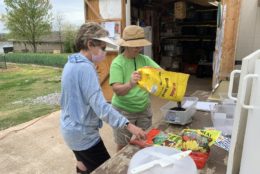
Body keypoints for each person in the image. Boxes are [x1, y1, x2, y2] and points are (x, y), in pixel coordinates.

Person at [60, 22, 146, 174]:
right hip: (83, 135)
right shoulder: (85, 68)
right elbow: (101, 107)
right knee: (108, 169)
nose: (105, 53)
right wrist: (129, 125)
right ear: (90, 44)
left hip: (68, 129)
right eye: (103, 48)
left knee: (83, 164)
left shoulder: (71, 63)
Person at [109, 25, 161, 151]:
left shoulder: (144, 59)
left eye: (141, 45)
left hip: (143, 108)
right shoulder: (117, 63)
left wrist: (160, 80)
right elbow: (117, 90)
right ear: (126, 45)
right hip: (123, 111)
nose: (140, 48)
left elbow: (161, 74)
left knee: (145, 140)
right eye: (136, 46)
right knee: (122, 145)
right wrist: (130, 84)